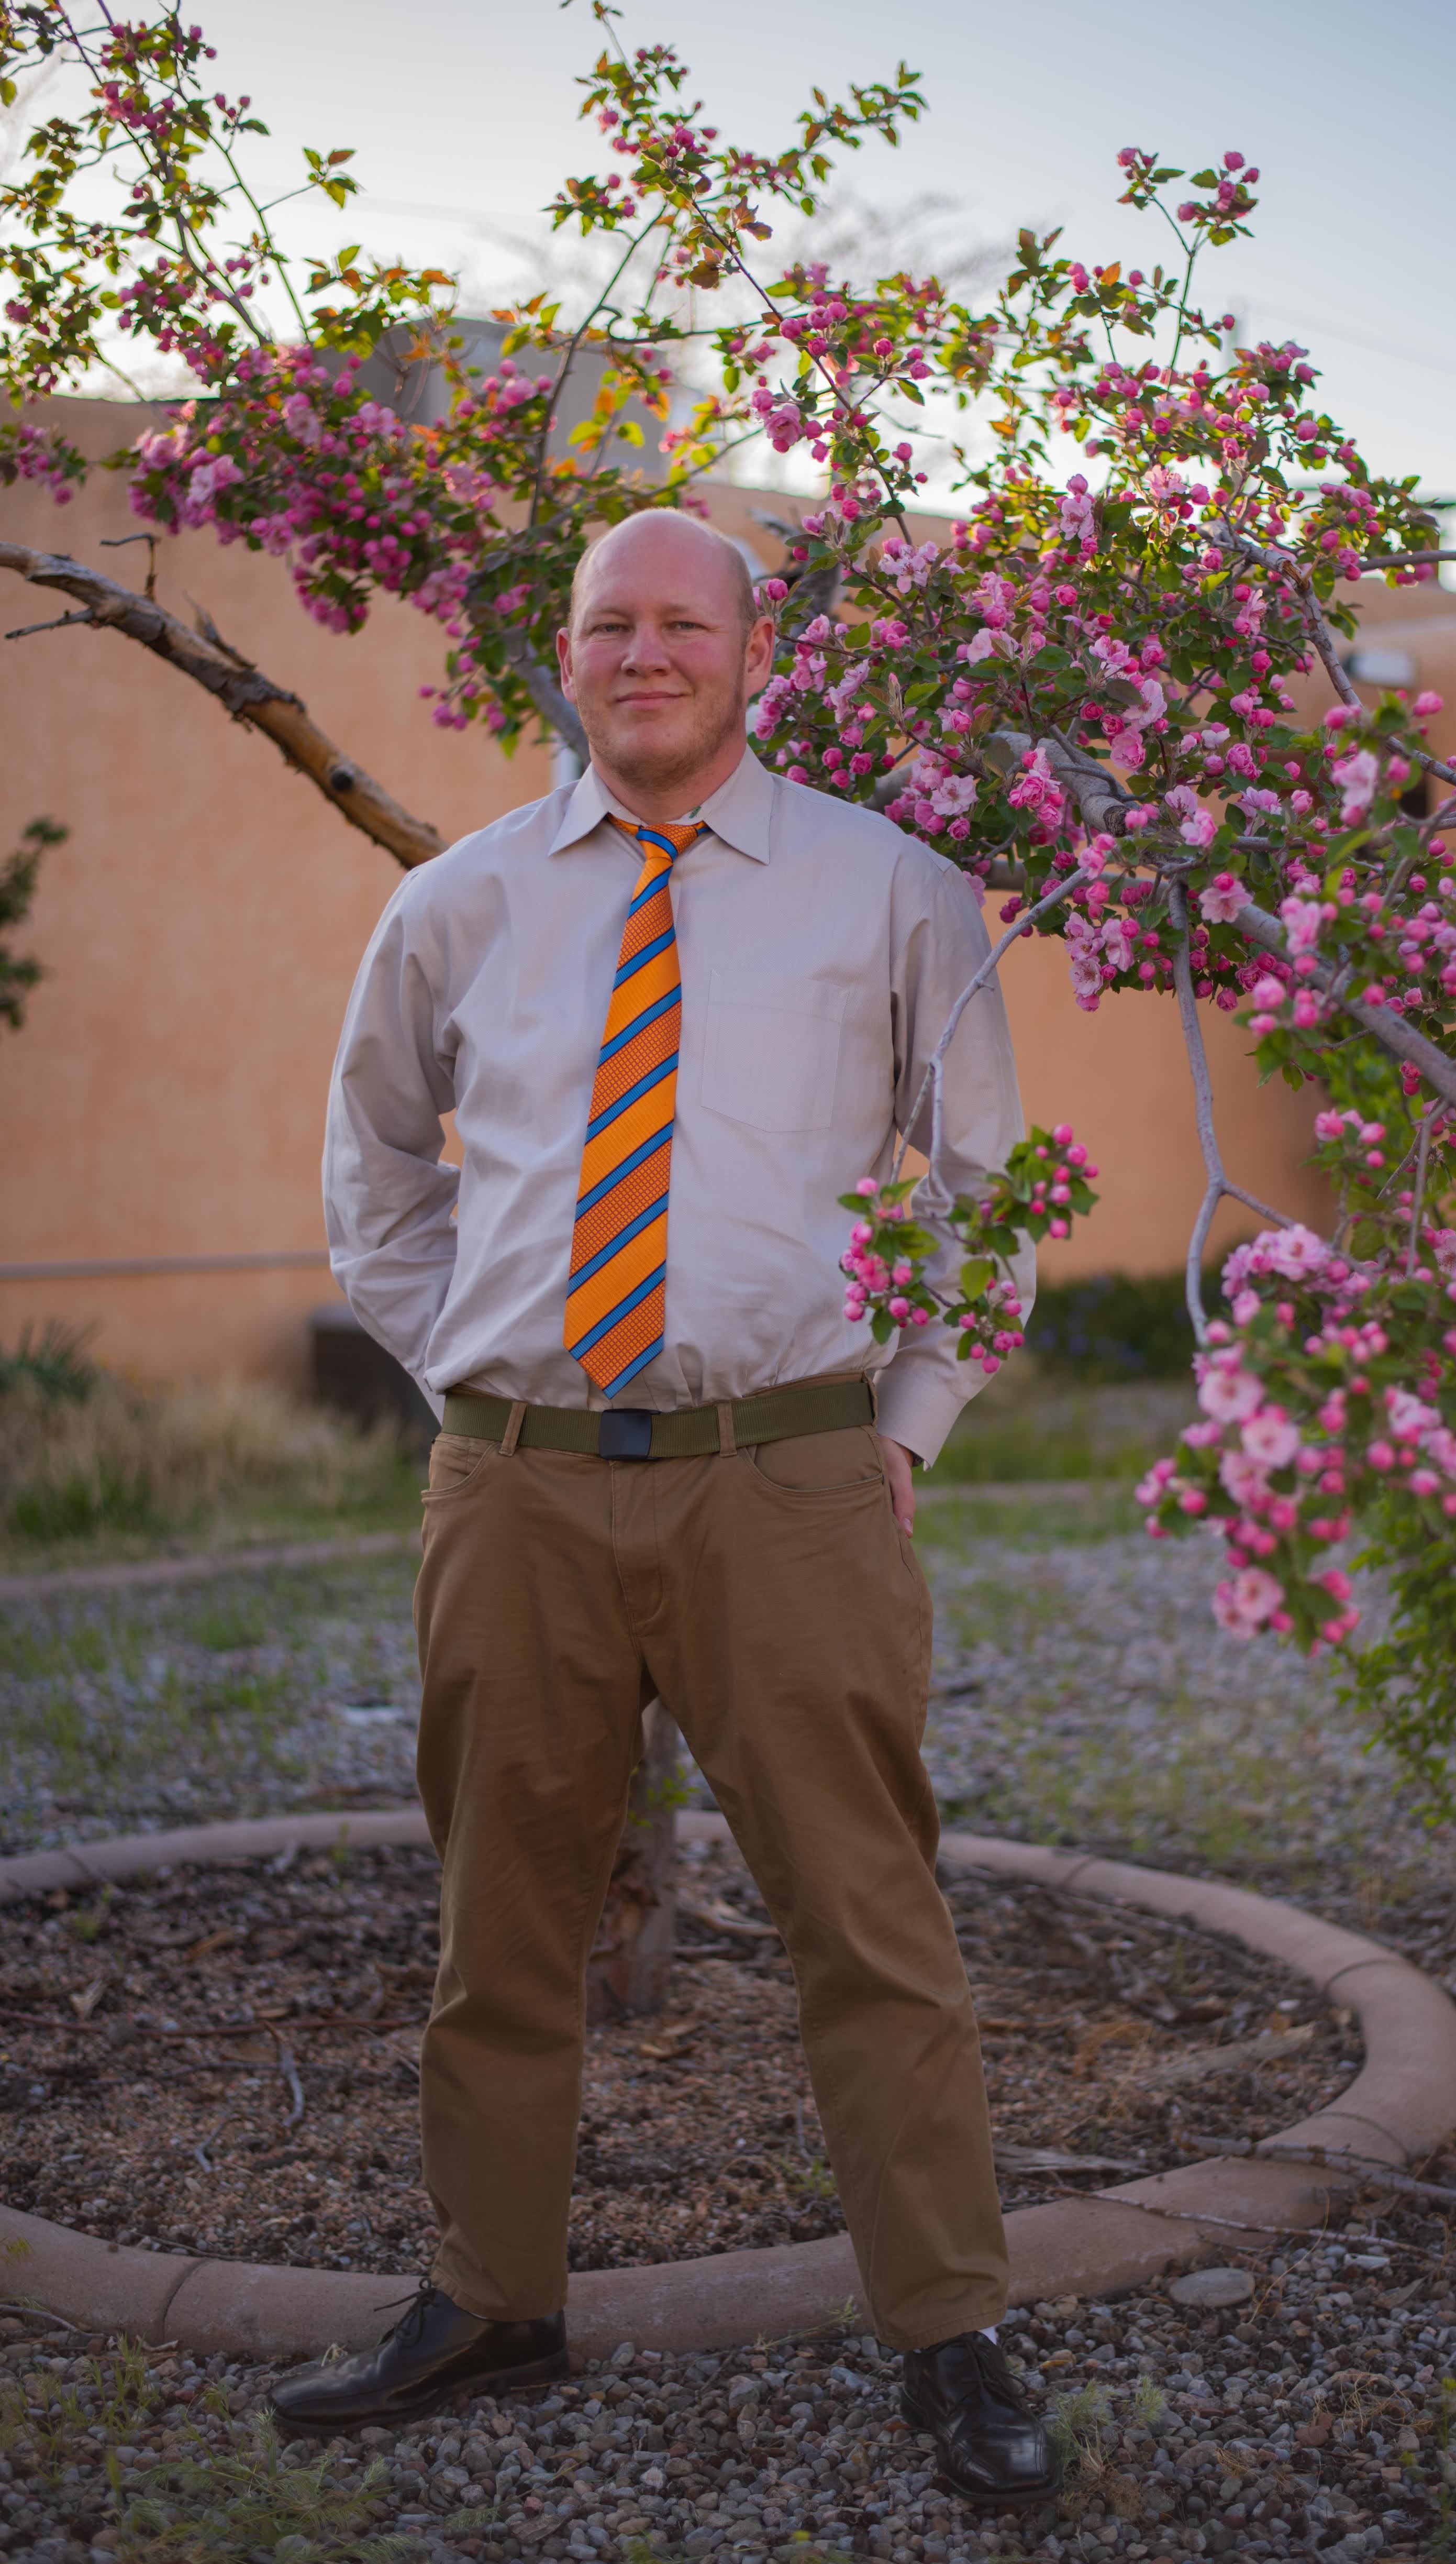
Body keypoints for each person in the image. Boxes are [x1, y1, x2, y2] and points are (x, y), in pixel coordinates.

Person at [270, 509, 1054, 2505]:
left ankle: (952, 2328)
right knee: (498, 1914)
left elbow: (986, 1187)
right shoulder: (461, 901)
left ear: (748, 646)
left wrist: (912, 1412)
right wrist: (468, 1366)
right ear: (567, 650)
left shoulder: (893, 891)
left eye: (680, 621)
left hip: (785, 1479)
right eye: (609, 622)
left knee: (867, 1918)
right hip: (515, 1488)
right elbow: (373, 1153)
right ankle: (489, 2300)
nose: (644, 652)